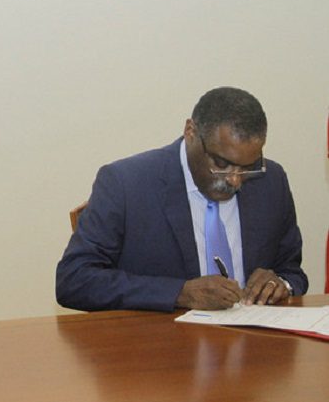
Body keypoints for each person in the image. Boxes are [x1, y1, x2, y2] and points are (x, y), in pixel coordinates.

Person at [56, 86, 308, 312]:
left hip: (254, 341)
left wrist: (281, 283)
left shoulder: (271, 181)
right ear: (190, 132)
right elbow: (74, 280)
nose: (234, 180)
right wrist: (180, 294)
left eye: (248, 167)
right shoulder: (126, 184)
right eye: (221, 163)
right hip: (162, 344)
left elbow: (292, 271)